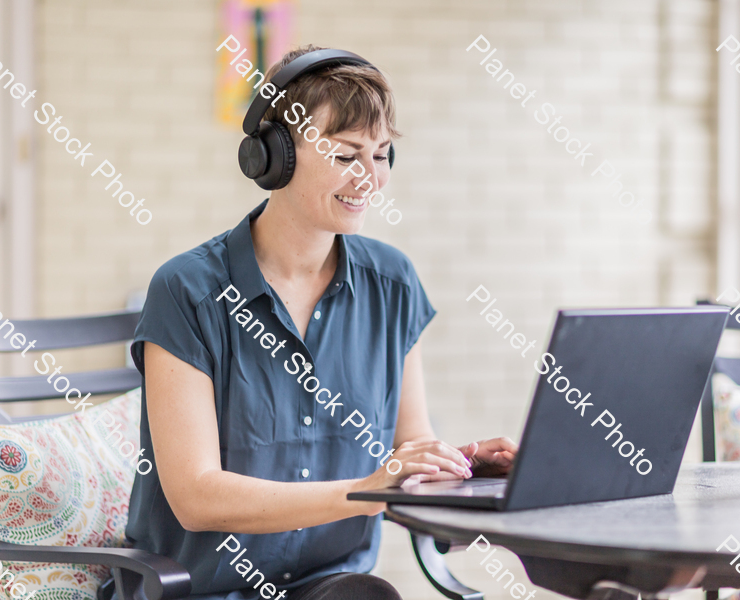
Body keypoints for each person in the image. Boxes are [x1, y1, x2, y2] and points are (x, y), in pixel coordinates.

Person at [124, 44, 518, 600]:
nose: (369, 178)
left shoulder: (393, 283)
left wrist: (457, 464)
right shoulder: (188, 291)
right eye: (345, 155)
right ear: (274, 157)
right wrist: (365, 490)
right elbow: (197, 497)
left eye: (380, 155)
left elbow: (411, 442)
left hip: (335, 591)